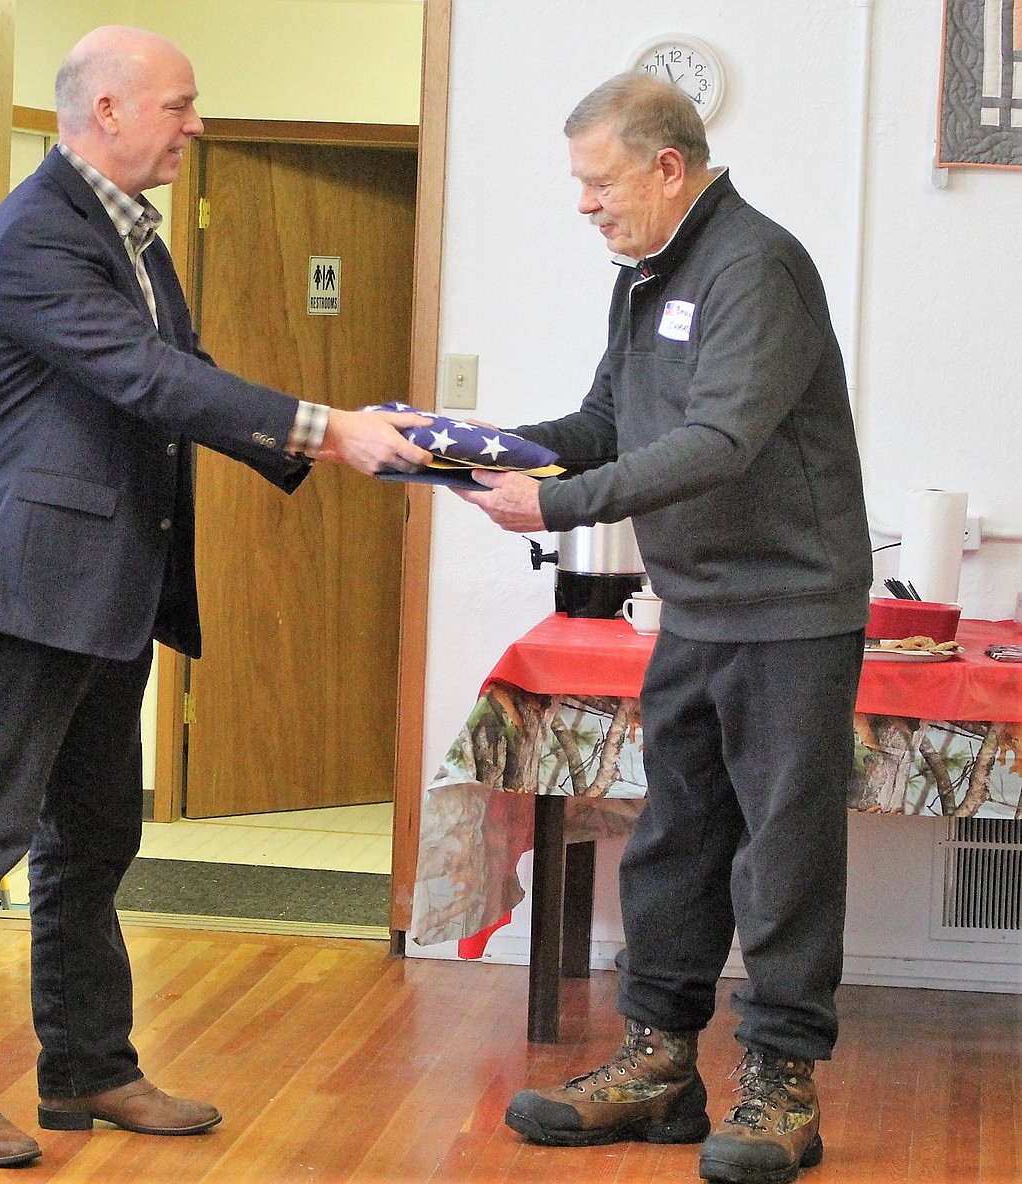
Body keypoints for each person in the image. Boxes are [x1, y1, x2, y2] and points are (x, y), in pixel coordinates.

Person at [0, 24, 430, 1170]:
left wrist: (339, 430)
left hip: (104, 590)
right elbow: (149, 380)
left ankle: (88, 1064)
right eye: (181, 105)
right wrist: (326, 430)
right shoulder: (37, 233)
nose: (196, 125)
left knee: (92, 836)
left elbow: (157, 394)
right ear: (107, 113)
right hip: (24, 591)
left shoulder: (130, 235)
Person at [456, 74, 871, 1184]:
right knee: (675, 835)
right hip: (697, 603)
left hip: (790, 609)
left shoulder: (756, 267)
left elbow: (720, 440)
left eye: (599, 182)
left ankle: (781, 1081)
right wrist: (480, 447)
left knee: (783, 849)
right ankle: (659, 1064)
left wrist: (550, 505)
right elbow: (605, 423)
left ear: (667, 167)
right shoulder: (644, 279)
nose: (584, 205)